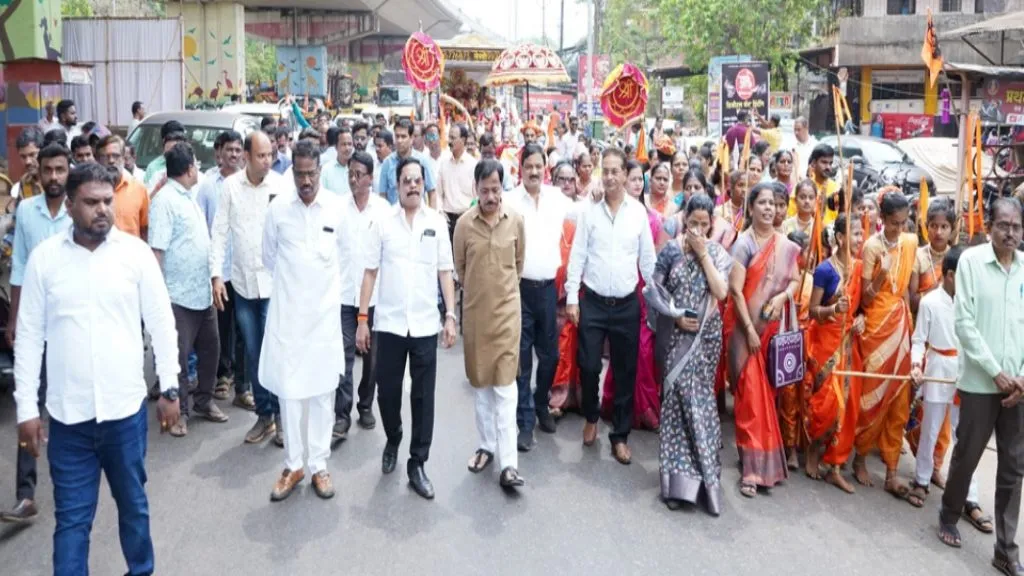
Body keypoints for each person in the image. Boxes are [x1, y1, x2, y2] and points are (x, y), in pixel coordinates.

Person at [13, 162, 180, 574]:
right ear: (69, 205)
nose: (102, 209)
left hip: (124, 415)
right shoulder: (45, 261)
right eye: (91, 202)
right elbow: (29, 337)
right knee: (72, 520)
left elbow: (161, 323)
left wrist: (171, 388)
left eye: (107, 201)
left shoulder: (135, 255)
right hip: (69, 421)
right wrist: (26, 411)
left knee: (133, 508)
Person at [356, 157, 458, 500]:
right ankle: (394, 436)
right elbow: (369, 272)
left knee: (423, 397)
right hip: (390, 325)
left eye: (417, 180)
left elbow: (445, 271)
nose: (413, 186)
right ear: (397, 186)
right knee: (387, 393)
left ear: (423, 184)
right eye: (406, 181)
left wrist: (450, 317)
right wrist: (362, 320)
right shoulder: (383, 224)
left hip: (426, 324)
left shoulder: (436, 223)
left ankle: (417, 462)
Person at [938, 197, 1024, 575]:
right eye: (1004, 225)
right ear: (989, 226)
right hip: (979, 383)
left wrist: (1021, 378)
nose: (1011, 233)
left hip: (1019, 388)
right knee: (968, 455)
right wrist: (995, 372)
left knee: (1013, 468)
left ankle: (1005, 549)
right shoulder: (971, 263)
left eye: (1017, 227)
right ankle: (948, 513)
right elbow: (965, 324)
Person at [261, 140, 346, 502]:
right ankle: (294, 464)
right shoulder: (278, 210)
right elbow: (268, 258)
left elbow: (346, 261)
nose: (306, 180)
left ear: (320, 172)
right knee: (290, 394)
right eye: (300, 173)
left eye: (312, 173)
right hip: (289, 320)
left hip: (324, 321)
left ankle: (319, 465)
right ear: (291, 171)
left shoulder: (336, 209)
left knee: (323, 392)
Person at [565, 147, 656, 465]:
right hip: (593, 302)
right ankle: (591, 417)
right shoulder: (589, 213)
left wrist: (654, 300)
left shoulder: (637, 213)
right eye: (607, 170)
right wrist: (573, 297)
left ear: (626, 174)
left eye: (617, 170)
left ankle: (619, 435)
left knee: (625, 369)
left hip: (627, 304)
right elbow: (577, 255)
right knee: (588, 366)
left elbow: (648, 260)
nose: (611, 176)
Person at [0, 143, 72, 523]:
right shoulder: (27, 212)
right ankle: (25, 493)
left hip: (71, 327)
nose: (55, 177)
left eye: (61, 169)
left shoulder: (78, 211)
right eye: (48, 170)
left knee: (65, 407)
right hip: (34, 324)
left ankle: (69, 483)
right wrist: (14, 320)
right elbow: (19, 270)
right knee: (28, 401)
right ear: (38, 174)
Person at [650, 193, 731, 515]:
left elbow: (721, 291)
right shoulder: (670, 251)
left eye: (704, 223)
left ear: (711, 223)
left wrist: (704, 255)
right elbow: (653, 290)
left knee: (700, 407)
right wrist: (673, 315)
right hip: (677, 338)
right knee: (676, 406)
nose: (698, 229)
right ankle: (676, 484)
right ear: (684, 221)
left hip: (706, 340)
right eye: (693, 223)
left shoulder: (718, 254)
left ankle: (704, 480)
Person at [724, 181, 800, 498]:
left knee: (765, 399)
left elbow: (795, 280)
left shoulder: (785, 245)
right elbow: (735, 292)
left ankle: (764, 464)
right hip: (745, 334)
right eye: (763, 202)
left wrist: (782, 298)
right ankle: (752, 469)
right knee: (750, 401)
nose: (769, 208)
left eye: (774, 203)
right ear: (751, 207)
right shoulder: (743, 244)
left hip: (770, 333)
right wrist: (750, 330)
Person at [454, 158, 527, 488]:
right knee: (481, 388)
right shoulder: (465, 225)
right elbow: (460, 268)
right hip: (476, 318)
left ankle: (509, 464)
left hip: (507, 318)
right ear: (476, 190)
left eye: (496, 189)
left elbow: (519, 264)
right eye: (484, 191)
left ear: (503, 187)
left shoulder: (516, 221)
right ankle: (486, 447)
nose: (491, 197)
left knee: (506, 390)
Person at [149, 141, 229, 438]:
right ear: (189, 168)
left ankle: (203, 402)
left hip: (201, 294)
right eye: (196, 163)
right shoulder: (165, 201)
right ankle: (180, 412)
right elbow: (156, 252)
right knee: (179, 359)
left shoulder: (188, 195)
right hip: (177, 297)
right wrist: (158, 298)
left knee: (211, 350)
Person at [211, 131, 283, 446]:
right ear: (247, 157)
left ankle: (281, 418)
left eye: (270, 155)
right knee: (253, 353)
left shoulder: (281, 186)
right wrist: (216, 276)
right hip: (242, 284)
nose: (267, 161)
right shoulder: (230, 188)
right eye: (261, 156)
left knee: (274, 352)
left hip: (273, 285)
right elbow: (219, 233)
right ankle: (264, 416)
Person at [504, 143, 571, 450]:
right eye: (528, 165)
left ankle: (541, 402)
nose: (533, 171)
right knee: (522, 359)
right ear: (520, 168)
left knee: (551, 356)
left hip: (546, 290)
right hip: (518, 290)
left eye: (538, 166)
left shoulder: (557, 199)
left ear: (545, 169)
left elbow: (584, 211)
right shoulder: (509, 202)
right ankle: (525, 422)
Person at [906, 247, 984, 513]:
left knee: (966, 436)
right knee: (930, 428)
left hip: (966, 373)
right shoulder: (929, 302)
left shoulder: (973, 302)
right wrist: (916, 365)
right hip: (937, 370)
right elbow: (918, 341)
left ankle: (969, 495)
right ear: (949, 275)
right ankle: (921, 480)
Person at [853, 191, 917, 496]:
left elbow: (906, 291)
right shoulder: (871, 246)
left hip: (900, 325)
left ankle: (892, 470)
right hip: (877, 325)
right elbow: (865, 297)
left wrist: (911, 329)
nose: (899, 229)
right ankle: (860, 457)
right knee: (872, 394)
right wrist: (882, 273)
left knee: (899, 399)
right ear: (882, 218)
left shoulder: (910, 242)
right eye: (893, 223)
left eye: (904, 223)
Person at [803, 214, 865, 493]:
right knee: (826, 403)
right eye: (854, 234)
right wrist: (832, 310)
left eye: (861, 234)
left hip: (849, 342)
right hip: (826, 343)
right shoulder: (825, 271)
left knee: (848, 405)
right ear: (840, 238)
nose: (859, 239)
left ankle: (836, 464)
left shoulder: (859, 269)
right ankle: (815, 450)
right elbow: (813, 311)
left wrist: (860, 318)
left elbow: (861, 307)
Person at [601, 159, 664, 431]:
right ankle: (616, 404)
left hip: (644, 290)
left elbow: (657, 259)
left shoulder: (653, 219)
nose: (638, 183)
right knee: (623, 350)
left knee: (645, 349)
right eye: (634, 178)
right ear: (624, 180)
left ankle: (646, 407)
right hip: (623, 286)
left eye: (641, 179)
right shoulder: (610, 211)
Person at [334, 150, 389, 437]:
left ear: (370, 178)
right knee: (343, 357)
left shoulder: (383, 211)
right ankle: (341, 414)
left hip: (375, 298)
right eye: (350, 174)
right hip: (344, 295)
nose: (354, 180)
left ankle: (365, 405)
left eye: (359, 175)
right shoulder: (337, 209)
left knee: (373, 357)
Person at [196, 130, 252, 409]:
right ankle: (223, 376)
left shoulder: (249, 183)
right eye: (229, 149)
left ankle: (244, 383)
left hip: (244, 267)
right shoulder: (207, 185)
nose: (233, 154)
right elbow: (202, 225)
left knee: (243, 328)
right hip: (220, 269)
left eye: (237, 149)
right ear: (219, 151)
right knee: (221, 325)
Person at [905, 199, 957, 486]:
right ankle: (921, 466)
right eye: (934, 226)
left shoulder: (959, 261)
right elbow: (912, 298)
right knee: (921, 408)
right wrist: (935, 294)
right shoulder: (919, 257)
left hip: (950, 345)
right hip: (923, 338)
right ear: (926, 228)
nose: (938, 232)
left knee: (947, 415)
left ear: (953, 229)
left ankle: (936, 465)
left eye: (944, 226)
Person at [548, 161, 585, 416]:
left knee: (579, 343)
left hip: (580, 286)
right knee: (559, 342)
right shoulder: (547, 209)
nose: (566, 184)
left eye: (570, 179)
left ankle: (578, 398)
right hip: (553, 285)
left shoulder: (584, 209)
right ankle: (557, 398)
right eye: (561, 179)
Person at [95, 135, 149, 241]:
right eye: (105, 156)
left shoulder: (139, 189)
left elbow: (145, 229)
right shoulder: (90, 191)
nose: (111, 161)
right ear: (97, 160)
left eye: (116, 156)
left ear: (124, 158)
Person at [377, 119, 436, 206]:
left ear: (411, 138)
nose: (399, 140)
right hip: (394, 216)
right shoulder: (387, 163)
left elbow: (432, 192)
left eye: (403, 136)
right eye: (397, 136)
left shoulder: (423, 161)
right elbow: (383, 195)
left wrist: (431, 218)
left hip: (418, 216)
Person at [437, 124, 478, 243]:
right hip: (447, 221)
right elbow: (438, 193)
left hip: (467, 220)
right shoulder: (443, 164)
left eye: (453, 138)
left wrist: (470, 215)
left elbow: (477, 196)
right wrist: (440, 212)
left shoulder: (473, 165)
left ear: (463, 140)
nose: (449, 141)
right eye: (449, 137)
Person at [143, 120, 185, 189]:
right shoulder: (153, 168)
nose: (178, 146)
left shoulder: (190, 165)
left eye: (180, 139)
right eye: (173, 139)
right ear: (164, 141)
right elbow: (146, 197)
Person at [11, 127, 43, 200]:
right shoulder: (25, 181)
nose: (27, 162)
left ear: (43, 151)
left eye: (32, 155)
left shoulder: (55, 179)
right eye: (23, 156)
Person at [320, 125, 353, 195]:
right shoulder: (326, 170)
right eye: (343, 144)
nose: (347, 148)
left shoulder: (358, 169)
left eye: (349, 144)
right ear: (336, 147)